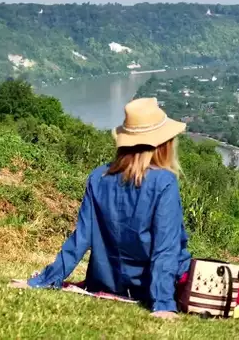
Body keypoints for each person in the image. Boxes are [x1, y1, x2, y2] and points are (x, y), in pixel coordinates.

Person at [11, 98, 192, 319]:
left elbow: (81, 238)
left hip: (106, 282)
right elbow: (165, 248)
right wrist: (163, 303)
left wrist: (43, 280)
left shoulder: (98, 177)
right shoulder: (164, 182)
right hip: (148, 290)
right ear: (163, 144)